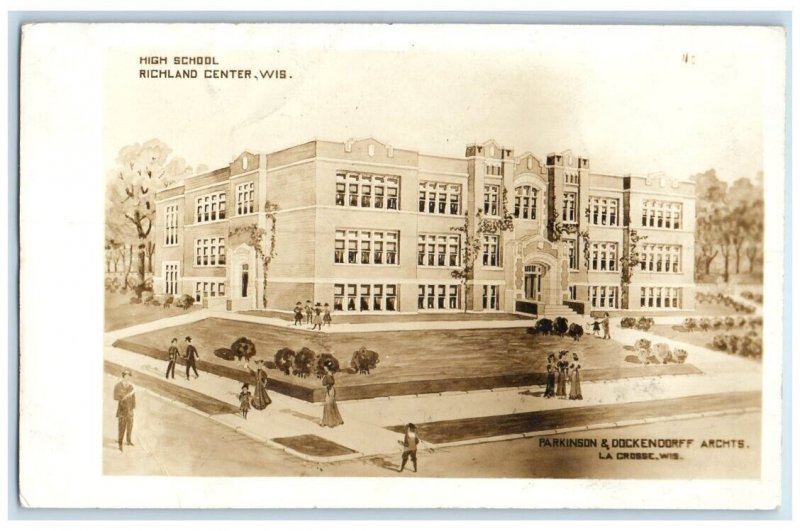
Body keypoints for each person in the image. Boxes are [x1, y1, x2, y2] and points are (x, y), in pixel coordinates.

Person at [113, 370, 136, 452]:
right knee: (121, 427)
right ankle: (120, 444)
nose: (127, 378)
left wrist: (132, 409)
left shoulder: (131, 387)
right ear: (123, 376)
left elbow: (133, 399)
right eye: (126, 376)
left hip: (130, 411)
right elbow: (115, 397)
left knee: (130, 426)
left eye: (129, 376)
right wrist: (122, 397)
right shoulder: (118, 386)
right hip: (122, 410)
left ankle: (128, 441)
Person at [320, 363, 344, 427]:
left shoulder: (328, 375)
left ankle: (330, 422)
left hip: (330, 391)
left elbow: (324, 383)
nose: (324, 369)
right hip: (331, 390)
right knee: (331, 405)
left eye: (325, 368)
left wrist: (326, 383)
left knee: (328, 405)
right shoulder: (330, 374)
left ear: (327, 368)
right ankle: (336, 420)